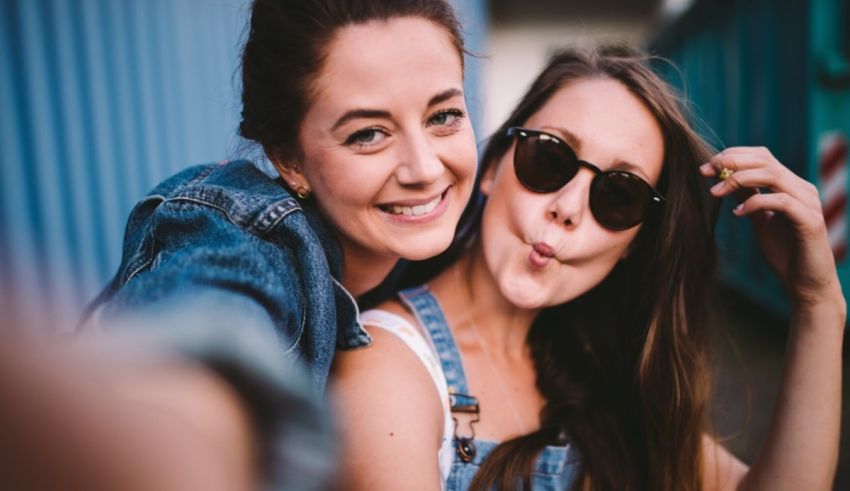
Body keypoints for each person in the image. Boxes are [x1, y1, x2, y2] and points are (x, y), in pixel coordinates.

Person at [332, 47, 845, 490]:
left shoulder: (596, 364)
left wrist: (817, 306)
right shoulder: (387, 368)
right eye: (548, 159)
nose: (569, 207)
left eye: (619, 195)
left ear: (632, 244)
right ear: (490, 168)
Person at [83, 0, 478, 393]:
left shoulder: (464, 226)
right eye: (368, 134)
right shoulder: (243, 240)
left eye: (443, 116)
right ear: (289, 160)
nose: (425, 169)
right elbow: (203, 343)